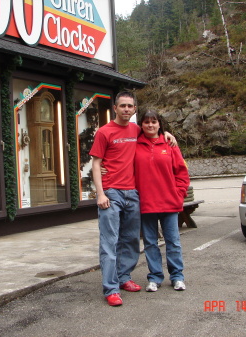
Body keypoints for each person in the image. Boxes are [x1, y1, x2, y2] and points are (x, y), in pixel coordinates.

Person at [90, 91, 176, 306]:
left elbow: (154, 133)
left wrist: (168, 134)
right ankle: (110, 289)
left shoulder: (137, 130)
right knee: (109, 242)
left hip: (133, 193)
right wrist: (100, 193)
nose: (126, 109)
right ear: (115, 108)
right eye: (122, 106)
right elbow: (96, 163)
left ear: (134, 109)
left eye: (130, 106)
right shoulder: (104, 132)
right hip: (111, 192)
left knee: (129, 241)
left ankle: (124, 277)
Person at [134, 110, 190, 292]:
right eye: (147, 122)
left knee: (173, 241)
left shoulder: (169, 143)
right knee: (150, 243)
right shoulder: (135, 144)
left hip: (169, 203)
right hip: (146, 203)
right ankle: (155, 277)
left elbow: (181, 172)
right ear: (141, 125)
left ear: (160, 124)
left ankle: (177, 277)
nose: (150, 125)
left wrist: (178, 194)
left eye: (154, 122)